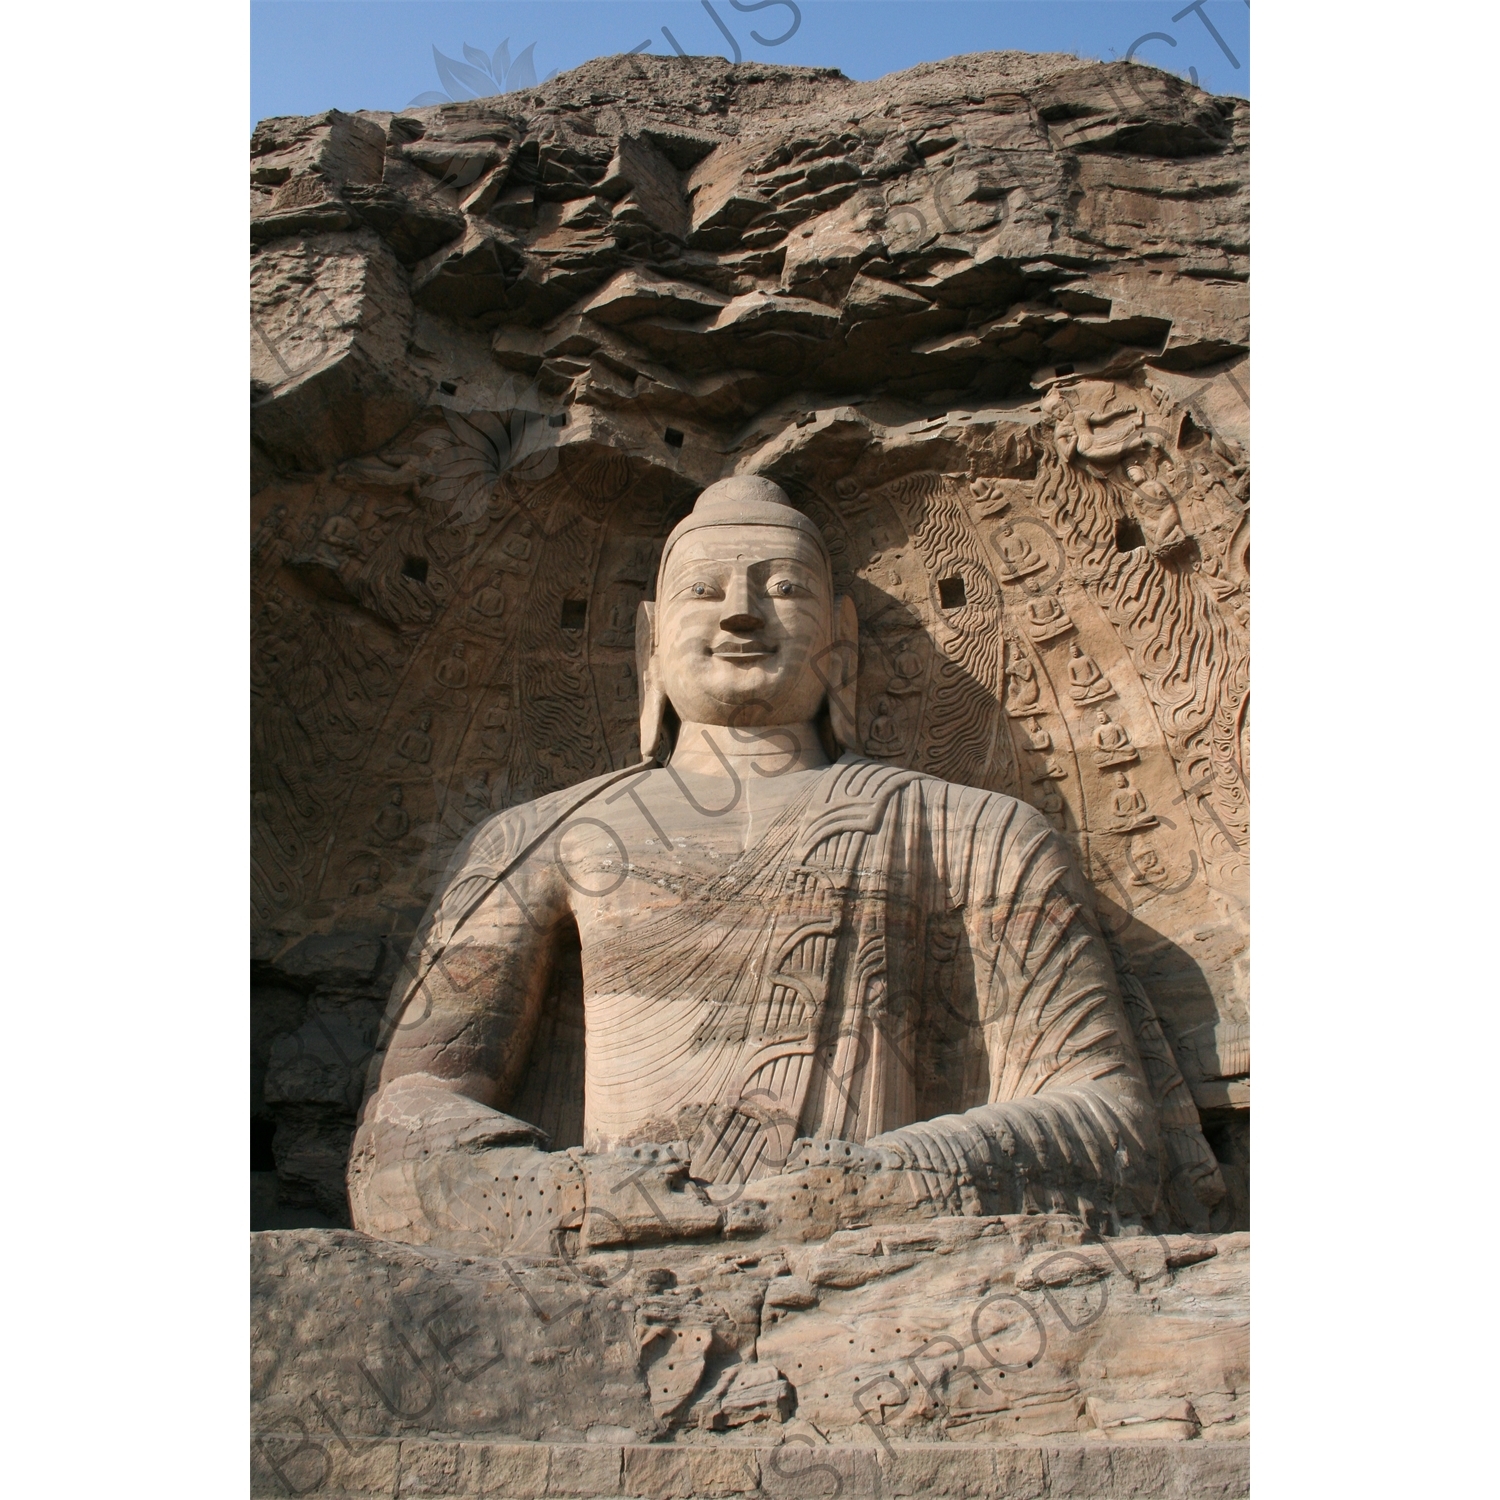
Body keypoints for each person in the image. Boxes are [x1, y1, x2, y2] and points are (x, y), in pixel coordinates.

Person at [349, 478, 1215, 1254]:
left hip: (889, 1270)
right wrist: (576, 1195)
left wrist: (887, 1178)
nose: (740, 613)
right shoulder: (538, 840)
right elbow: (402, 1130)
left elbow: (1110, 1124)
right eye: (703, 589)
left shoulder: (975, 832)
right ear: (648, 642)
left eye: (784, 586)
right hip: (601, 1252)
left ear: (840, 638)